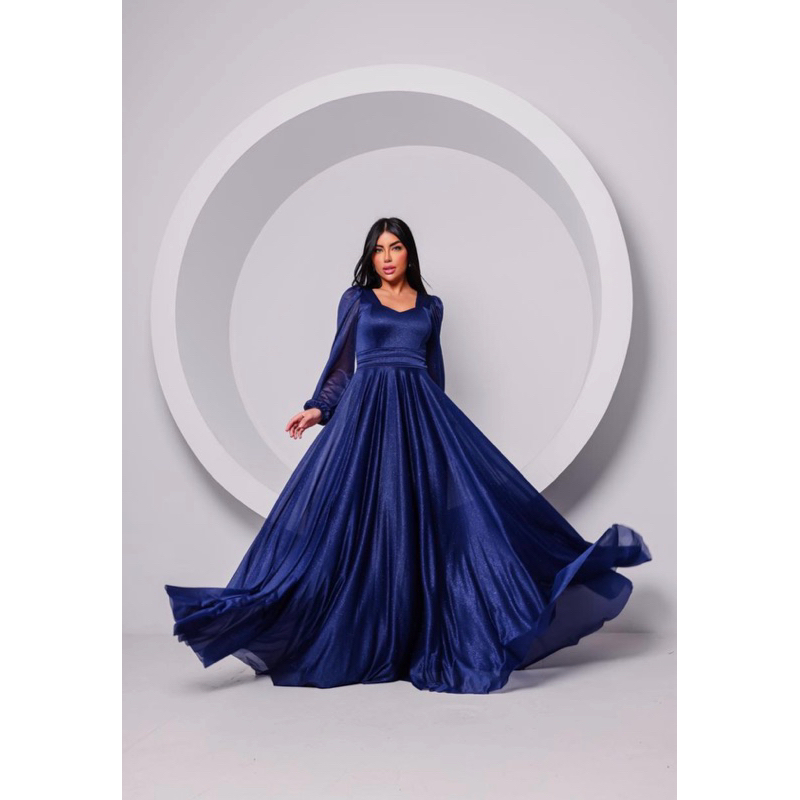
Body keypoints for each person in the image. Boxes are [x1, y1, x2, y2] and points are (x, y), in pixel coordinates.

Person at [165, 217, 651, 694]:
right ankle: (343, 629)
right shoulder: (356, 300)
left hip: (419, 418)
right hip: (365, 420)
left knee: (434, 523)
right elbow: (341, 365)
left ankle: (418, 632)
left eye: (395, 247)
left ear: (409, 253)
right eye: (378, 249)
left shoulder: (431, 307)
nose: (386, 258)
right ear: (370, 256)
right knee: (354, 524)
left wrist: (436, 439)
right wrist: (318, 408)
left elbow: (434, 373)